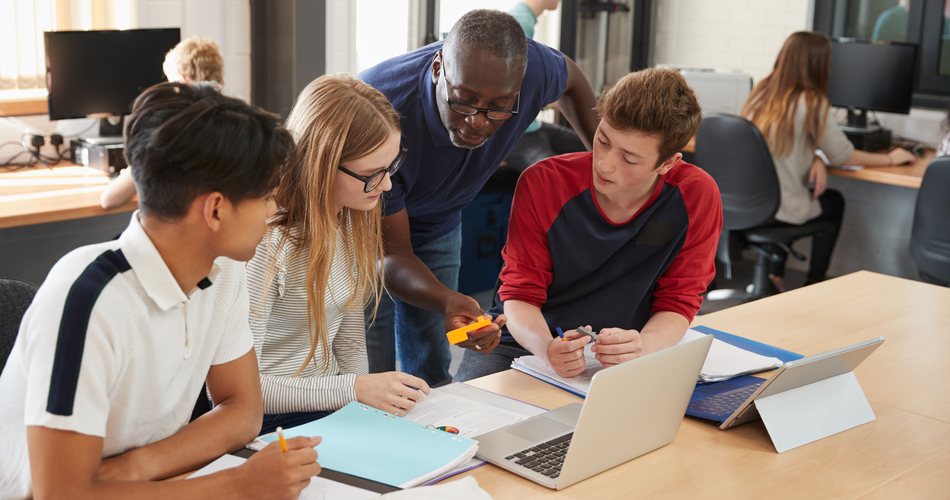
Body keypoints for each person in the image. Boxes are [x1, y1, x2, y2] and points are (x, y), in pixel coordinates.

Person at [0, 82, 321, 500]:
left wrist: (134, 468)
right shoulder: (86, 299)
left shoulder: (223, 270)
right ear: (216, 210)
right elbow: (60, 494)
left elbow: (243, 411)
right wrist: (238, 485)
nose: (273, 211)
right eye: (265, 197)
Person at [358, 9, 598, 386]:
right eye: (463, 101)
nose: (479, 121)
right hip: (363, 228)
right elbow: (391, 254)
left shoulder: (533, 71)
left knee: (432, 357)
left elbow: (572, 78)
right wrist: (446, 299)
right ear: (438, 68)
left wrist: (602, 157)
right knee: (373, 366)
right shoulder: (382, 107)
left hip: (439, 220)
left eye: (499, 107)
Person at [453, 68, 722, 381]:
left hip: (628, 346)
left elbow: (680, 298)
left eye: (629, 159)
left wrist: (646, 346)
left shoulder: (696, 194)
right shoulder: (543, 182)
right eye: (603, 141)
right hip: (526, 338)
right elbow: (519, 292)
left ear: (667, 163)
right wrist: (546, 348)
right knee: (463, 408)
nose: (604, 165)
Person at [247, 74, 430, 435]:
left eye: (391, 168)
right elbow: (236, 391)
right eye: (371, 174)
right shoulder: (263, 243)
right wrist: (354, 390)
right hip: (269, 420)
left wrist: (361, 412)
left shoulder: (348, 215)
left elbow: (348, 342)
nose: (387, 185)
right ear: (320, 163)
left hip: (329, 406)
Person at [742, 31, 915, 293]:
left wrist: (815, 157)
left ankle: (775, 273)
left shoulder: (761, 93)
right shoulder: (812, 103)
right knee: (834, 201)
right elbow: (843, 156)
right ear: (816, 63)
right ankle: (814, 283)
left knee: (798, 191)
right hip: (780, 208)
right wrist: (891, 158)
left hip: (748, 205)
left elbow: (770, 146)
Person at [100, 36, 225, 210]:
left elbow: (109, 200)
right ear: (222, 83)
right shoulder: (240, 127)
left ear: (182, 83)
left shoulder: (166, 131)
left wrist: (134, 173)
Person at [503, 0, 587, 174]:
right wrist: (550, 104)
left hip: (535, 127)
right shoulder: (518, 22)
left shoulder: (525, 18)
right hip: (517, 136)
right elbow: (510, 87)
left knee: (591, 148)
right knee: (552, 177)